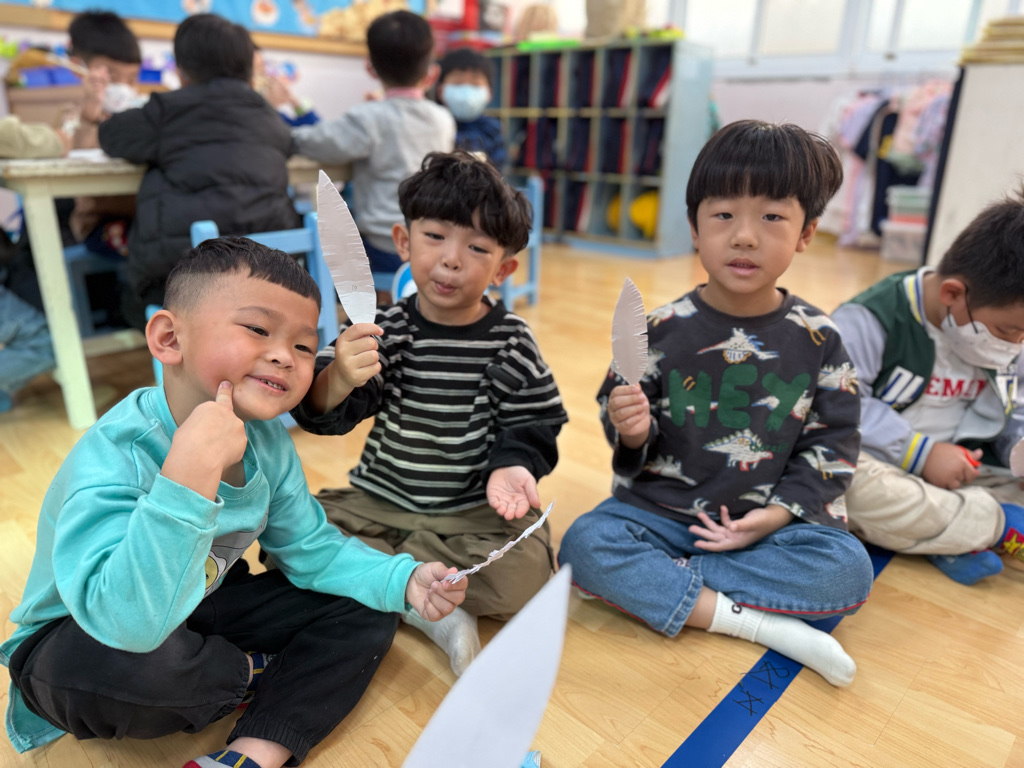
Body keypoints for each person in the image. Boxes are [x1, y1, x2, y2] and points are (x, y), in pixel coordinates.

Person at [0, 237, 467, 768]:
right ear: (169, 338)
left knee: (368, 603)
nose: (284, 356)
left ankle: (255, 750)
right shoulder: (114, 457)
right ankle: (249, 672)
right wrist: (187, 476)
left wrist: (404, 579)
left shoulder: (267, 442)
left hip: (199, 604)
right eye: (258, 330)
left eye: (303, 346)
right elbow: (126, 623)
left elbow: (311, 549)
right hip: (87, 634)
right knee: (103, 671)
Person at [558, 120, 875, 687]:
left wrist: (772, 518)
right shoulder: (658, 328)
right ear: (694, 228)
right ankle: (753, 622)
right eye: (724, 215)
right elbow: (623, 430)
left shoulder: (820, 338)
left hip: (767, 525)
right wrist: (632, 431)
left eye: (772, 217)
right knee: (584, 544)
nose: (744, 236)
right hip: (660, 515)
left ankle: (672, 586)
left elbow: (833, 444)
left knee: (846, 572)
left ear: (806, 233)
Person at [291, 151, 567, 676]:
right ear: (404, 241)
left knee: (529, 573)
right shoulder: (384, 329)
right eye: (435, 236)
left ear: (504, 269)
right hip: (380, 503)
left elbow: (534, 421)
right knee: (291, 542)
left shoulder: (511, 340)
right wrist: (341, 376)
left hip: (469, 512)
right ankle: (436, 610)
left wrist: (514, 465)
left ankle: (401, 586)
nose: (451, 259)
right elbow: (324, 411)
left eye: (477, 247)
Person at [832, 190, 1024, 586]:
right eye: (1009, 331)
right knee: (845, 485)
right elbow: (838, 403)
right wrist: (921, 453)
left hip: (966, 475)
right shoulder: (870, 318)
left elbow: (1014, 405)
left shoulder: (1009, 331)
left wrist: (1018, 448)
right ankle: (994, 526)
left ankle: (955, 535)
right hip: (882, 465)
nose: (1016, 344)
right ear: (952, 294)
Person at [99, 13, 300, 329]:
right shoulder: (270, 118)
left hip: (186, 284)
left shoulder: (167, 112)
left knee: (127, 300)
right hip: (271, 278)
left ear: (181, 70)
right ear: (248, 69)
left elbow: (111, 136)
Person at [291, 10, 455, 280]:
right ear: (431, 73)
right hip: (431, 244)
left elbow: (319, 142)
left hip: (382, 246)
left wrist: (286, 134)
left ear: (370, 67)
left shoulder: (368, 118)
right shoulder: (443, 119)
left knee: (321, 242)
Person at [435, 48, 507, 168]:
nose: (466, 91)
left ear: (489, 93)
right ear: (440, 90)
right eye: (458, 83)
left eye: (475, 84)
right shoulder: (434, 124)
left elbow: (498, 169)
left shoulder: (492, 129)